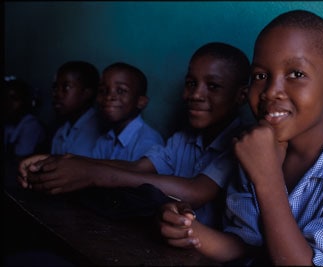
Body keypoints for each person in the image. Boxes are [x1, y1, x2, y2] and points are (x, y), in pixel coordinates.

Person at [158, 10, 323, 266]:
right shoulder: (252, 148)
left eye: (296, 74)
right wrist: (190, 231)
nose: (271, 92)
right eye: (260, 76)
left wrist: (267, 177)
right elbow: (248, 246)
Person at [17, 42, 251, 227]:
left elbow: (195, 191)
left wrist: (92, 173)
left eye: (213, 86)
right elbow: (139, 168)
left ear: (241, 95)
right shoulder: (183, 138)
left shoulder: (240, 143)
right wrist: (66, 162)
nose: (195, 95)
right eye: (191, 83)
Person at [91, 62, 164, 161]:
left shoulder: (148, 142)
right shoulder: (105, 140)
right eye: (103, 90)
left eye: (120, 91)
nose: (108, 97)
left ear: (141, 102)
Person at [50, 60, 102, 157]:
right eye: (55, 87)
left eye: (66, 87)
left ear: (87, 93)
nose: (57, 94)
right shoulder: (63, 130)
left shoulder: (96, 130)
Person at [3, 77, 47, 160]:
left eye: (15, 99)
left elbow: (19, 159)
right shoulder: (9, 123)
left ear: (25, 101)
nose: (9, 103)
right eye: (6, 98)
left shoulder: (31, 125)